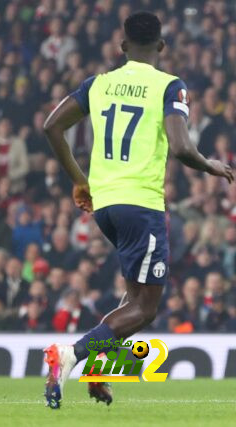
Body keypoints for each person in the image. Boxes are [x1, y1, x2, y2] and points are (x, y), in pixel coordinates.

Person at [41, 11, 233, 409]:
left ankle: (98, 373)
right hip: (141, 204)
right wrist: (210, 164)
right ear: (161, 46)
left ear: (122, 46)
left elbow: (51, 127)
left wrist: (81, 180)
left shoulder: (98, 84)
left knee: (133, 302)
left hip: (105, 204)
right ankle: (71, 355)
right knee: (146, 307)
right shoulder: (169, 86)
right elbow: (181, 147)